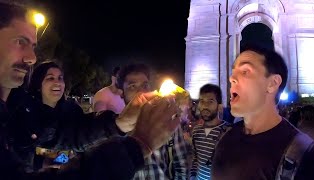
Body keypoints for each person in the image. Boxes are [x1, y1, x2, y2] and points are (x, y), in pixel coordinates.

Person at [0, 2, 182, 179]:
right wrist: (138, 147)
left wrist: (119, 123)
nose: (32, 58)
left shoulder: (20, 107)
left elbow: (65, 134)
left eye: (33, 46)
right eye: (20, 42)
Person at [211, 45, 314, 179]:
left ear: (272, 83)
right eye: (234, 71)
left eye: (245, 71)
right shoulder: (225, 137)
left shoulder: (306, 157)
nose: (231, 78)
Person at [117, 63, 188, 180]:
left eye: (145, 86)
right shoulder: (112, 131)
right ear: (121, 93)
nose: (141, 93)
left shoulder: (167, 122)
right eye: (132, 87)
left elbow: (182, 165)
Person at [189, 84, 229, 180]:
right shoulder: (196, 131)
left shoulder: (229, 132)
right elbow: (195, 159)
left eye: (210, 101)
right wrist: (192, 176)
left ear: (219, 107)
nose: (205, 106)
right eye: (202, 101)